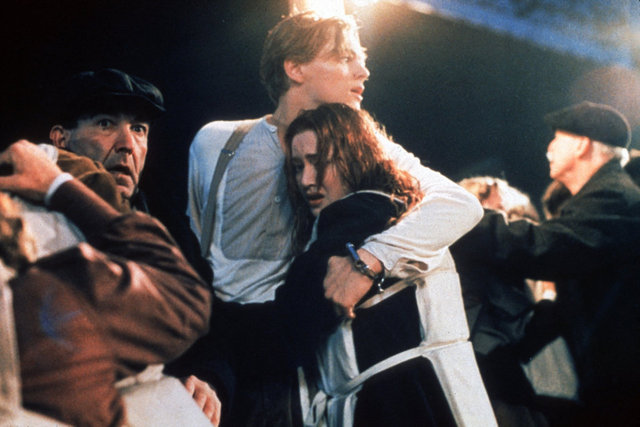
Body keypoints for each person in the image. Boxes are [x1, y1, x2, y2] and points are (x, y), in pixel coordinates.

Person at [184, 11, 483, 426]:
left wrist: (369, 261)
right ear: (295, 68)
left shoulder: (372, 149)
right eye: (344, 58)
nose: (363, 71)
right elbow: (197, 243)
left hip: (293, 366)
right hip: (215, 351)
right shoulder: (216, 141)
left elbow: (459, 204)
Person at [19, 67, 220, 424]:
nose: (127, 144)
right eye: (105, 124)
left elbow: (212, 329)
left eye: (139, 129)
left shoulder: (168, 223)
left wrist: (205, 377)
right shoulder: (24, 217)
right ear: (61, 140)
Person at [274, 103, 496, 426]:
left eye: (319, 162)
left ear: (354, 157)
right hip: (436, 395)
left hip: (407, 403)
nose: (307, 180)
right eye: (297, 167)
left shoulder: (363, 217)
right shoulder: (409, 217)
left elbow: (284, 328)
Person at [453, 101, 640, 426]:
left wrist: (463, 218)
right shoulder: (597, 201)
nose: (549, 148)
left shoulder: (614, 198)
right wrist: (510, 353)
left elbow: (544, 248)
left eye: (557, 138)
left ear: (582, 144)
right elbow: (563, 310)